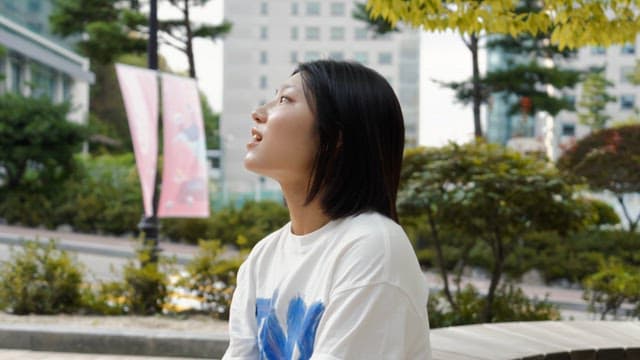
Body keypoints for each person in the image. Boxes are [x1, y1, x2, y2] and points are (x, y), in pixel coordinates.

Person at [222, 60, 431, 360]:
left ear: (336, 137)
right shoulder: (264, 256)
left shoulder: (373, 248)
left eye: (285, 100)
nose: (259, 112)